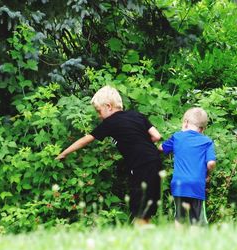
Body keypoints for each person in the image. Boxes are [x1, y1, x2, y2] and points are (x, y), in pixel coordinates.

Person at [55, 85, 162, 225]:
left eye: (99, 111)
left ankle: (140, 238)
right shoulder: (137, 115)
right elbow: (156, 136)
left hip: (140, 165)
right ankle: (146, 235)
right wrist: (141, 143)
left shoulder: (110, 122)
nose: (99, 116)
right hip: (155, 161)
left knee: (139, 206)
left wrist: (63, 153)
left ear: (108, 106)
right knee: (147, 206)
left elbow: (85, 140)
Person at [159, 107, 216, 226]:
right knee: (196, 219)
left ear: (185, 122)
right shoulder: (207, 141)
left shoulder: (177, 137)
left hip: (179, 183)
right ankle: (195, 241)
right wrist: (208, 174)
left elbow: (161, 148)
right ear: (203, 129)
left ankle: (178, 240)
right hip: (196, 185)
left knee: (179, 217)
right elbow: (211, 163)